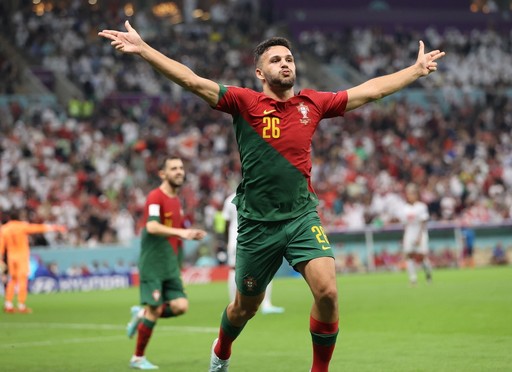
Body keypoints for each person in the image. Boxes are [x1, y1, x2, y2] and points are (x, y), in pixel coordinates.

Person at [99, 21, 444, 372]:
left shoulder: (313, 103)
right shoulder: (245, 103)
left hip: (301, 217)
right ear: (260, 72)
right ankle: (222, 349)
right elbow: (192, 80)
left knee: (327, 292)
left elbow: (370, 91)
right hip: (256, 226)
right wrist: (144, 50)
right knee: (244, 308)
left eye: (289, 59)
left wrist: (415, 71)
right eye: (276, 60)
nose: (285, 64)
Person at [125, 156, 207, 370]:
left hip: (170, 264)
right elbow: (151, 227)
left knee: (181, 306)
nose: (179, 171)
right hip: (153, 263)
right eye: (173, 169)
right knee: (155, 309)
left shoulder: (177, 201)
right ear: (163, 174)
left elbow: (175, 239)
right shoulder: (155, 196)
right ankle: (137, 357)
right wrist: (183, 232)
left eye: (181, 168)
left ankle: (140, 314)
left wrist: (178, 264)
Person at [222, 192, 284, 314]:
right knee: (266, 267)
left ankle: (233, 304)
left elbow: (226, 223)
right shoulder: (260, 195)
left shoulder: (230, 199)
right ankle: (266, 304)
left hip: (236, 239)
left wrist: (227, 241)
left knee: (234, 269)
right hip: (256, 238)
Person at [0, 210, 66, 313]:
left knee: (12, 280)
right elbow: (38, 228)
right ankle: (21, 305)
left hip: (11, 257)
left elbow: (1, 246)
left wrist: (0, 259)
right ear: (18, 217)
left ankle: (8, 304)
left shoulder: (4, 229)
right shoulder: (22, 226)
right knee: (22, 280)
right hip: (21, 256)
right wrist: (55, 227)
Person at [397, 184, 433, 285]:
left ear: (417, 195)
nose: (410, 196)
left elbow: (423, 223)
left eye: (412, 193)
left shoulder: (421, 207)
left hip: (419, 232)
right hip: (409, 233)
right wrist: (403, 237)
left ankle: (428, 274)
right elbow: (405, 224)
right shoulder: (405, 208)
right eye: (408, 194)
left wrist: (419, 237)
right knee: (409, 255)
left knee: (421, 257)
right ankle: (413, 278)